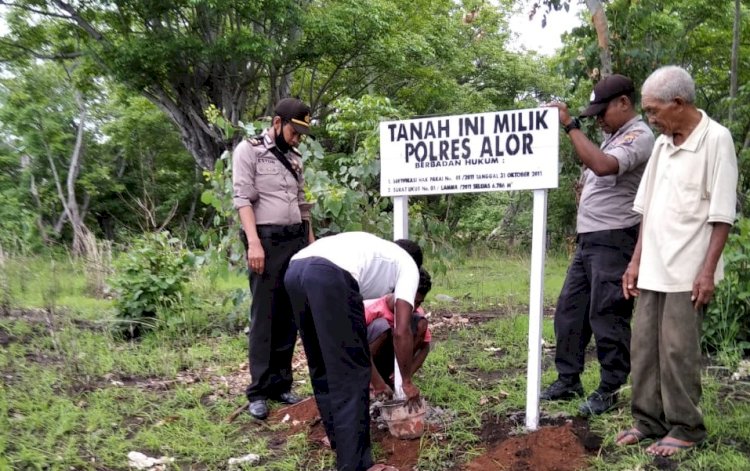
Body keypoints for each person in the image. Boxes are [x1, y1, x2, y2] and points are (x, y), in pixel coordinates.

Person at [616, 65, 737, 456]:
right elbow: (646, 209)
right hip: (653, 265)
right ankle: (648, 421)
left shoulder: (716, 140)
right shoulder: (663, 145)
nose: (650, 118)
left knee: (677, 349)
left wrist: (707, 272)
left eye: (653, 110)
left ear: (679, 103)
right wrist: (635, 262)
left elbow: (721, 216)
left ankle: (685, 427)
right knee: (644, 348)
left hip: (688, 270)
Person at [542, 74, 655, 415]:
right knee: (570, 310)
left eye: (602, 112)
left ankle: (610, 387)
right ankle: (569, 378)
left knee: (607, 314)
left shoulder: (639, 135)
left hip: (615, 237)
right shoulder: (613, 136)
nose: (599, 120)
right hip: (590, 240)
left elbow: (604, 167)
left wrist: (570, 126)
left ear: (624, 103)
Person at [284, 232, 423, 471]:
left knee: (322, 364)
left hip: (295, 270)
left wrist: (379, 383)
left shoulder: (373, 251)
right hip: (329, 275)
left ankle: (340, 442)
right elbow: (402, 331)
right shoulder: (409, 267)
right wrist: (407, 381)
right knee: (351, 373)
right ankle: (357, 464)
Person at [232, 97, 316, 420]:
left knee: (288, 315)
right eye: (294, 132)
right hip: (266, 242)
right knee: (264, 316)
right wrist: (253, 242)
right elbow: (242, 199)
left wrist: (311, 246)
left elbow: (301, 202)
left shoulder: (295, 159)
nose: (297, 139)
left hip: (296, 240)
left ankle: (281, 384)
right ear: (277, 123)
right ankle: (258, 390)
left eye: (301, 134)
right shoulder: (249, 151)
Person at [366, 267, 433, 397]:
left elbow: (425, 347)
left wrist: (405, 376)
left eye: (418, 302)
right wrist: (377, 382)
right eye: (411, 300)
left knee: (420, 323)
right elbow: (357, 351)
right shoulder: (372, 310)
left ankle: (395, 379)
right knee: (382, 326)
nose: (413, 306)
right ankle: (371, 383)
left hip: (393, 364)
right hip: (366, 366)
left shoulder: (416, 314)